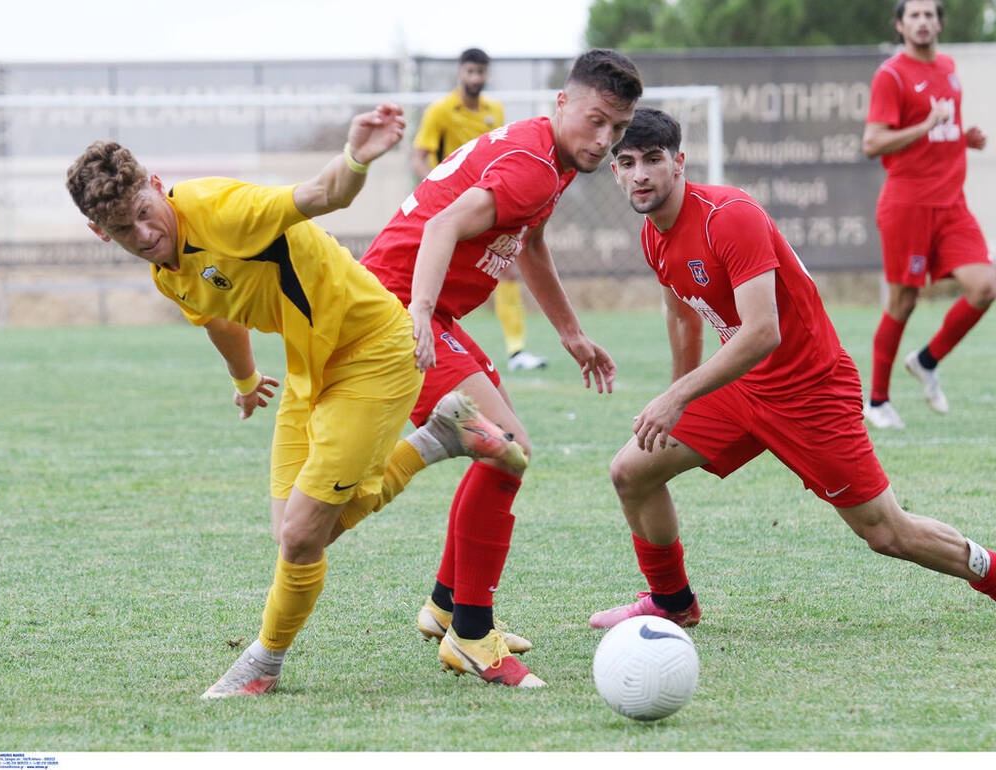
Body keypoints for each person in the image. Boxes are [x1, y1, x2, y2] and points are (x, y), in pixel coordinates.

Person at [65, 103, 526, 699]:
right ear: (99, 233)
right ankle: (438, 438)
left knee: (305, 536)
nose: (145, 235)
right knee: (295, 534)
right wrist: (244, 378)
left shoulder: (219, 210)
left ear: (157, 187)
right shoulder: (165, 268)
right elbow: (215, 316)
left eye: (145, 214)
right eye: (124, 230)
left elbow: (319, 195)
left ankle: (262, 663)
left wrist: (356, 155)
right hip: (311, 368)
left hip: (373, 354)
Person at [588, 107, 996, 632]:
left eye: (652, 159)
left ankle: (990, 571)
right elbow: (681, 313)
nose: (640, 173)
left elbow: (764, 332)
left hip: (811, 391)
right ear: (616, 172)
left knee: (886, 533)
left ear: (679, 163)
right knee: (631, 471)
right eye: (627, 162)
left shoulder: (728, 216)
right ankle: (672, 603)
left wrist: (677, 396)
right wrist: (680, 395)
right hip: (740, 386)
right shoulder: (653, 234)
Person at [359, 48, 644, 687]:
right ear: (562, 103)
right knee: (507, 449)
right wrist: (419, 315)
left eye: (619, 130)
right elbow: (440, 228)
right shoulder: (536, 168)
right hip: (396, 313)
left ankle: (445, 607)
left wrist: (571, 334)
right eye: (597, 121)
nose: (606, 140)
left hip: (415, 308)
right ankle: (470, 634)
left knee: (501, 447)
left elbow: (531, 243)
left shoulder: (551, 158)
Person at [861, 0, 994, 430]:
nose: (923, 22)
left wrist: (960, 137)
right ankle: (877, 401)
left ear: (939, 23)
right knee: (904, 300)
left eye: (929, 15)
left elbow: (939, 127)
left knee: (985, 286)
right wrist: (925, 126)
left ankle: (926, 360)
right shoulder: (892, 75)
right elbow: (873, 143)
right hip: (908, 206)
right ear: (900, 25)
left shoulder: (949, 68)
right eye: (913, 15)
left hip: (951, 205)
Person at [412, 47, 548, 373]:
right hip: (450, 210)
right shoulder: (440, 111)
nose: (475, 78)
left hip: (484, 205)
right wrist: (438, 190)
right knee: (439, 276)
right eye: (470, 72)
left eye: (481, 72)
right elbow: (419, 156)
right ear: (460, 73)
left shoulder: (495, 111)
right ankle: (421, 335)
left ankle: (516, 350)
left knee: (506, 268)